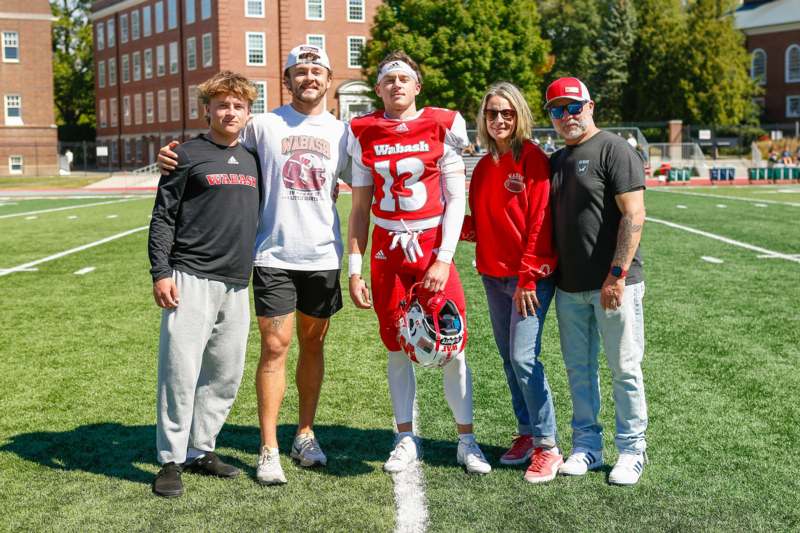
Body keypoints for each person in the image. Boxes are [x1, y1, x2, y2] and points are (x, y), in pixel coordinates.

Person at [158, 44, 349, 486]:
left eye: (316, 71)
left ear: (328, 78)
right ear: (286, 80)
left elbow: (364, 179)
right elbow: (217, 143)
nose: (308, 78)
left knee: (313, 346)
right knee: (274, 348)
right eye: (299, 71)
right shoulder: (263, 124)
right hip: (271, 255)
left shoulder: (344, 133)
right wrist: (174, 153)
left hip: (322, 254)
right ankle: (269, 448)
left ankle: (304, 433)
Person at [347, 51, 491, 475]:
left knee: (453, 343)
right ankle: (405, 435)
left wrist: (444, 258)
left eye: (403, 78)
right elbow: (359, 208)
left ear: (417, 86)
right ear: (377, 89)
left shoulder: (443, 123)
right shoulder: (361, 130)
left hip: (430, 242)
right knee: (396, 346)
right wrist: (354, 268)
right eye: (388, 79)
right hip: (386, 248)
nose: (395, 85)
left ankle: (466, 439)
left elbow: (455, 198)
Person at [148, 71, 262, 497]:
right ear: (208, 110)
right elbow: (163, 217)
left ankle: (201, 449)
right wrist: (160, 272)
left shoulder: (253, 158)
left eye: (238, 105)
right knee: (179, 372)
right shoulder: (186, 155)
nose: (229, 111)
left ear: (248, 112)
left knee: (225, 373)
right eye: (222, 104)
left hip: (237, 282)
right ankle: (170, 460)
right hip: (189, 276)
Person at [544, 77, 649, 486]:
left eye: (573, 107)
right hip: (569, 287)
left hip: (614, 284)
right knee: (578, 370)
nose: (567, 116)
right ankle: (587, 445)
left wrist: (617, 275)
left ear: (590, 106)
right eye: (557, 110)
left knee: (624, 368)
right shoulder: (555, 161)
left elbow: (634, 215)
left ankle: (632, 449)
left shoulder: (615, 149)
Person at [460, 82, 561, 483]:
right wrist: (434, 226)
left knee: (523, 358)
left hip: (528, 279)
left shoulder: (533, 159)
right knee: (508, 359)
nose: (499, 120)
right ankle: (526, 432)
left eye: (507, 113)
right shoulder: (484, 166)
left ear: (520, 116)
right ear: (483, 120)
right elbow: (481, 222)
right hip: (492, 274)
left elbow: (539, 222)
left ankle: (548, 445)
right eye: (492, 114)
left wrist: (528, 278)